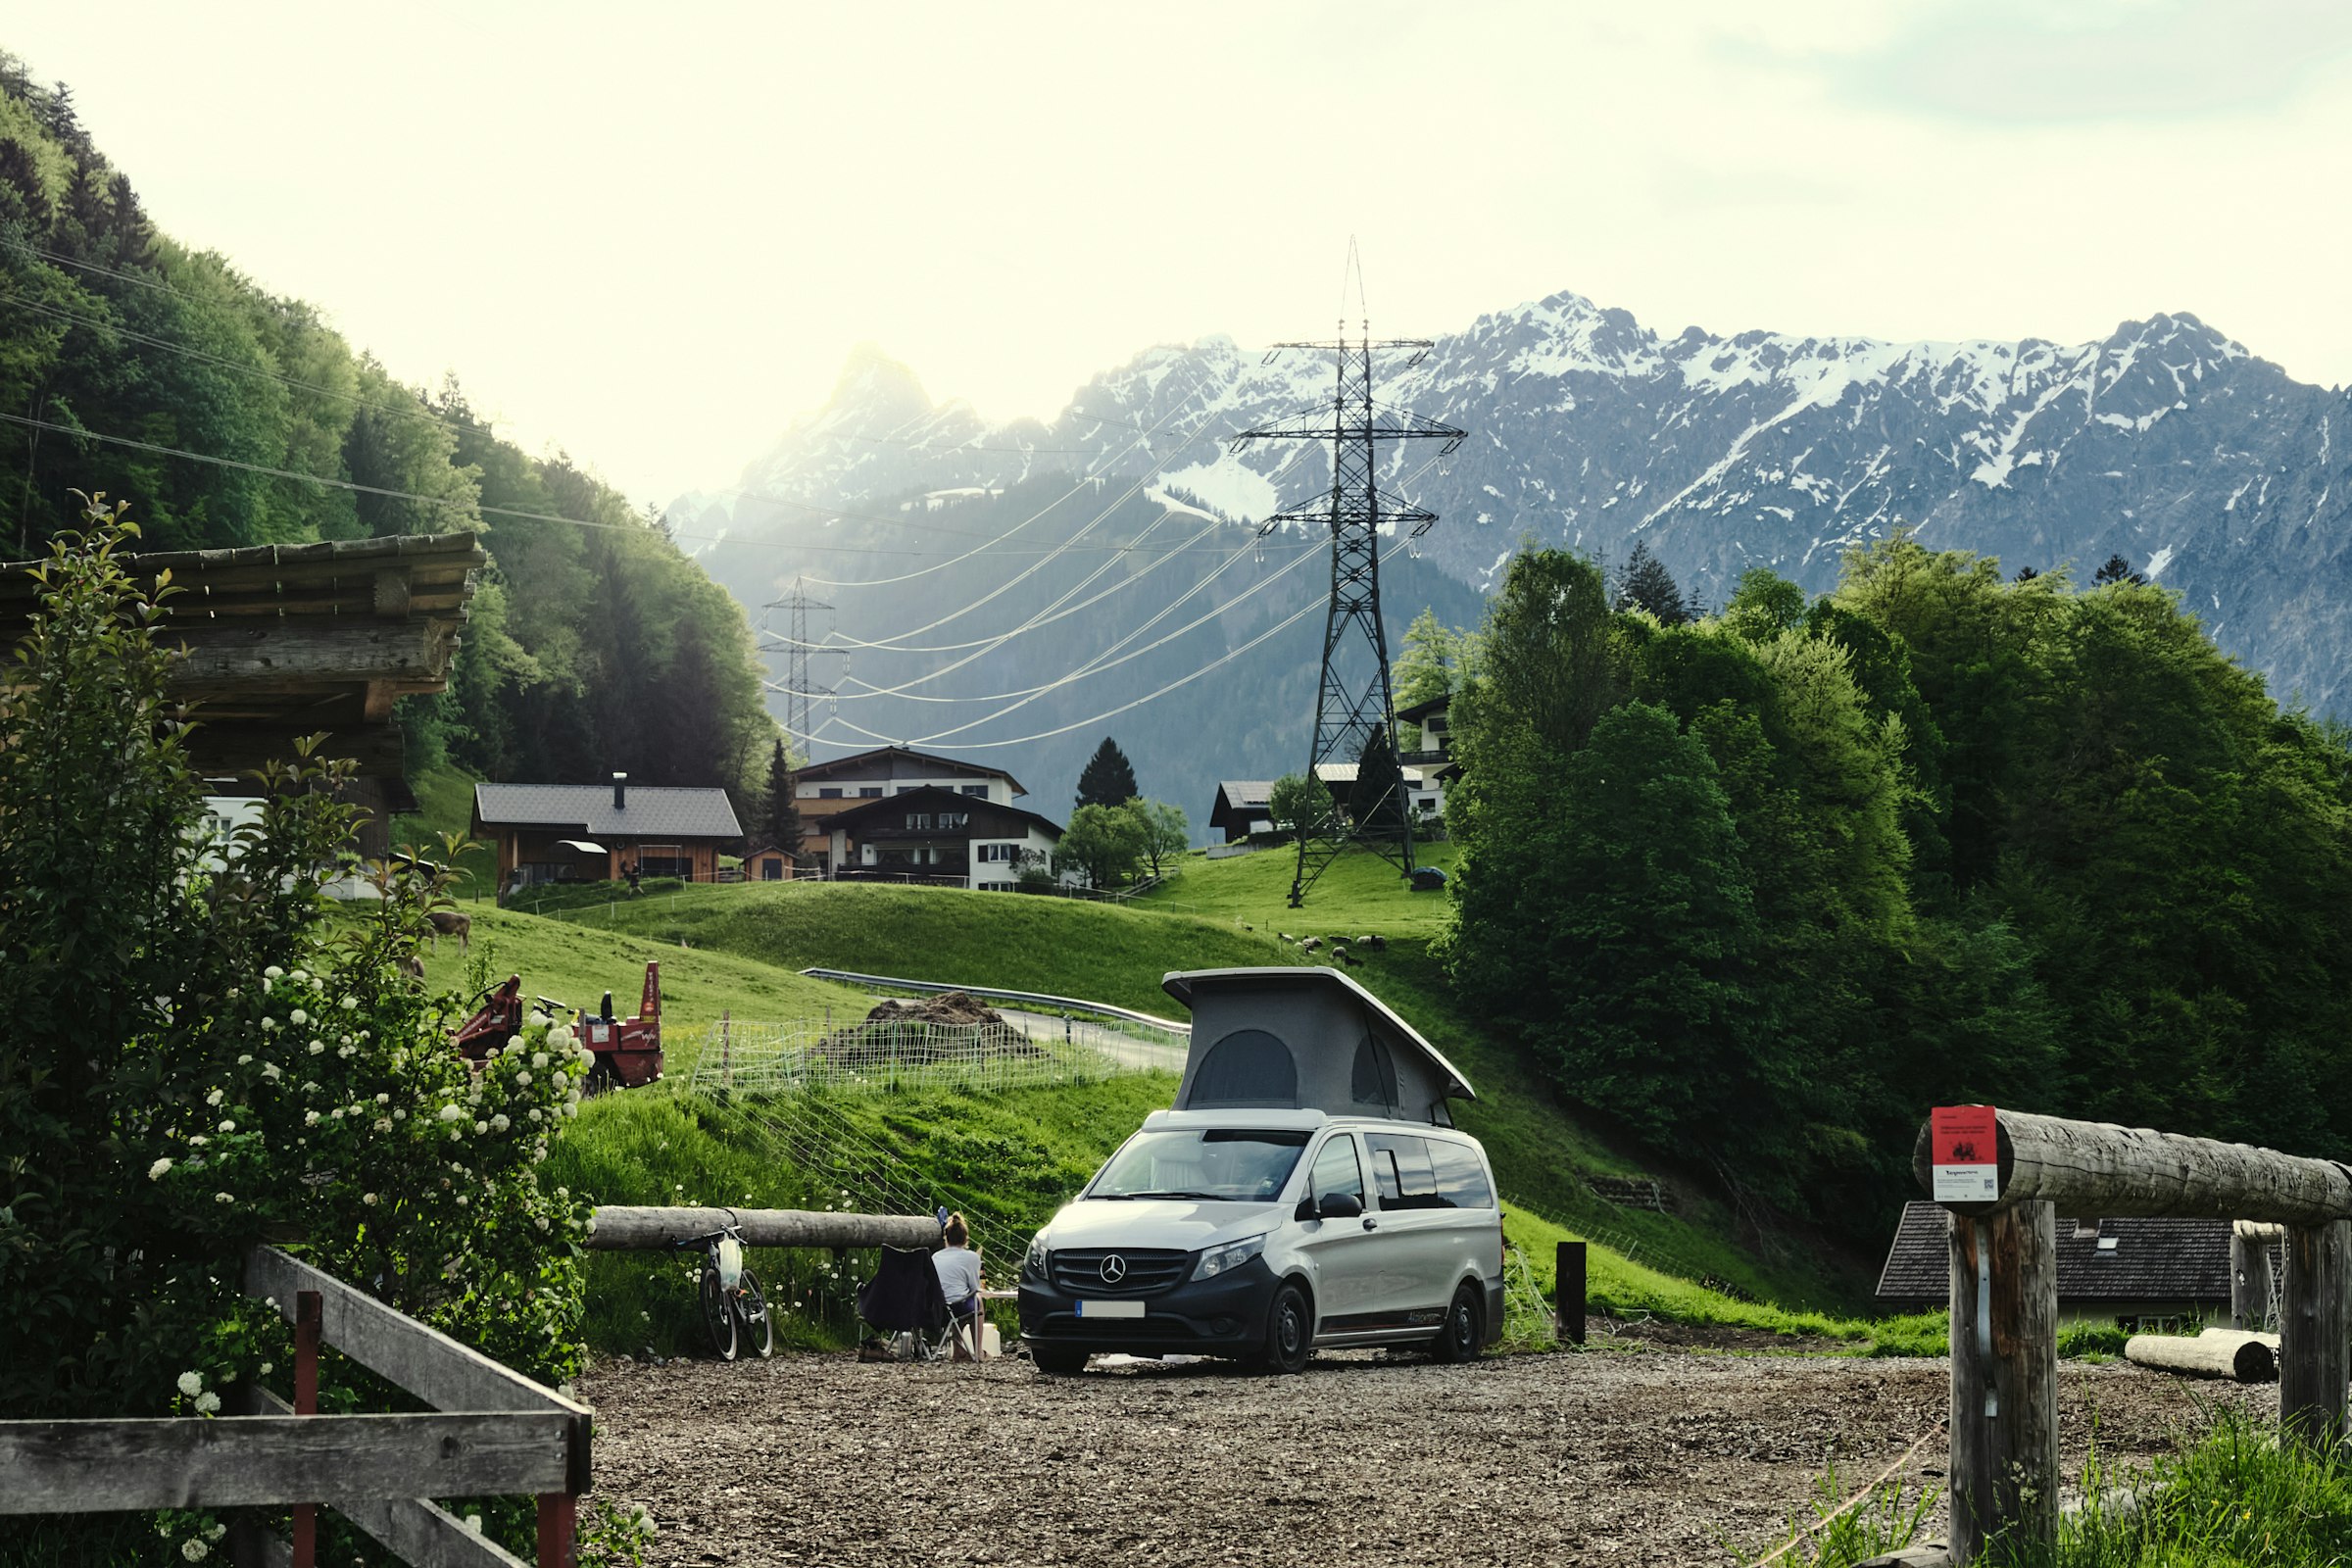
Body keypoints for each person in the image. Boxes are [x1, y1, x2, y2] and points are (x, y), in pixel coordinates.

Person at [932, 1212, 984, 1359]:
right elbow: (974, 1288)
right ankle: (978, 1351)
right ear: (966, 1238)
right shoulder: (972, 1257)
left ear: (946, 1238)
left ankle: (958, 1349)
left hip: (937, 1308)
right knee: (977, 1302)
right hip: (956, 1307)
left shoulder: (936, 1256)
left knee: (954, 1302)